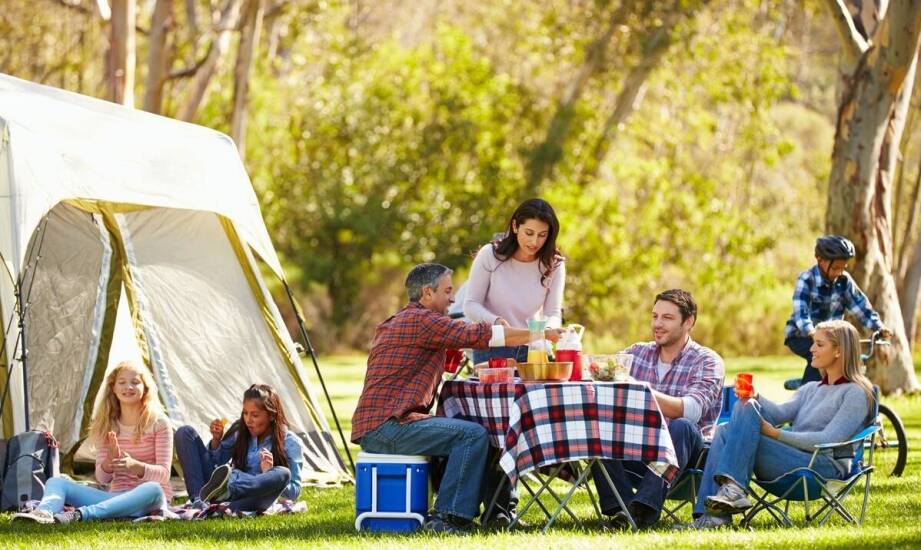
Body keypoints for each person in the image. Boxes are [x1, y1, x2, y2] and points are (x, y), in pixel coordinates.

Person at [352, 263, 561, 534]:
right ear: (427, 293)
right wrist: (539, 333)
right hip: (389, 427)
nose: (452, 298)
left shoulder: (403, 320)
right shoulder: (422, 320)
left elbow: (423, 361)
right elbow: (482, 335)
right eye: (448, 291)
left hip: (381, 424)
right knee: (471, 435)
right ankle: (446, 518)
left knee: (470, 429)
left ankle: (483, 509)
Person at [681, 320, 876, 530]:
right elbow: (780, 413)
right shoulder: (811, 388)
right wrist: (754, 397)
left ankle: (722, 507)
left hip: (822, 468)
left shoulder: (855, 393)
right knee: (737, 415)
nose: (811, 349)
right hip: (792, 459)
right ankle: (714, 511)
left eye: (819, 345)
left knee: (730, 430)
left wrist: (776, 435)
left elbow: (828, 439)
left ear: (839, 351)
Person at [591, 289, 724, 530]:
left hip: (686, 452)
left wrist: (640, 391)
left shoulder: (707, 360)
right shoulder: (635, 353)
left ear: (689, 321)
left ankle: (641, 510)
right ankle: (622, 511)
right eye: (655, 316)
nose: (658, 324)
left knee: (681, 425)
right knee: (599, 425)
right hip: (637, 446)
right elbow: (604, 384)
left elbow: (691, 411)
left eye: (667, 318)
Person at [12, 361, 171, 524]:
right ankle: (44, 513)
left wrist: (134, 465)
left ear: (145, 387)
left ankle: (80, 515)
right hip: (112, 498)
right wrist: (108, 463)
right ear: (113, 388)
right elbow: (102, 479)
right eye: (122, 382)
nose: (128, 387)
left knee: (153, 488)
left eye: (135, 382)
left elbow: (164, 475)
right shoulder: (107, 424)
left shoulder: (159, 424)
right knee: (56, 481)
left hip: (147, 500)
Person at [463, 197, 566, 364]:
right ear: (515, 226)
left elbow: (552, 313)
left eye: (542, 235)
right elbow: (471, 304)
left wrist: (547, 331)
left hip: (533, 348)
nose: (534, 242)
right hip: (492, 346)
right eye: (529, 233)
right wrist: (495, 321)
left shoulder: (554, 264)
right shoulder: (490, 255)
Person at [175, 384, 303, 512]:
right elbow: (216, 465)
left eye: (255, 415)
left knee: (283, 473)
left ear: (271, 416)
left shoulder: (290, 442)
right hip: (222, 491)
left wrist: (268, 474)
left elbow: (294, 492)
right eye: (245, 413)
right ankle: (199, 501)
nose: (248, 420)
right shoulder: (240, 431)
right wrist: (216, 440)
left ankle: (228, 491)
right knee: (185, 432)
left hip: (252, 499)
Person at [785, 235, 891, 385]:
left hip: (830, 338)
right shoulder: (806, 279)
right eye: (835, 268)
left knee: (842, 361)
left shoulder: (844, 281)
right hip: (800, 335)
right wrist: (812, 332)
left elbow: (860, 306)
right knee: (819, 354)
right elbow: (800, 314)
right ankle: (808, 393)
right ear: (820, 259)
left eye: (842, 268)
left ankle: (830, 391)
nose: (839, 272)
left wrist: (878, 327)